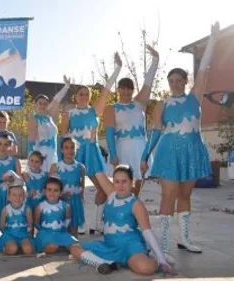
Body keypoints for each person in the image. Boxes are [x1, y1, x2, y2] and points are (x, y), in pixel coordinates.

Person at [141, 23, 220, 256]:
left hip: (192, 151)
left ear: (186, 81)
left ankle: (185, 239)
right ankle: (163, 246)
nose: (175, 84)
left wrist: (213, 40)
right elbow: (155, 131)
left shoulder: (195, 97)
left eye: (179, 80)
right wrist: (145, 155)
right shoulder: (162, 104)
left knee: (185, 196)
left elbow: (204, 68)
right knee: (168, 196)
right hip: (169, 152)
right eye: (171, 81)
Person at [70, 165, 177, 276]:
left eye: (124, 181)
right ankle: (107, 264)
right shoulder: (111, 194)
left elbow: (147, 232)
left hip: (130, 246)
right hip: (109, 245)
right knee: (75, 249)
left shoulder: (136, 204)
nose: (120, 185)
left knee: (145, 268)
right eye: (117, 181)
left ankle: (153, 255)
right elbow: (95, 167)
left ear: (131, 182)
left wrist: (163, 262)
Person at [60, 52, 122, 234]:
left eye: (87, 94)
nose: (84, 96)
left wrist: (117, 69)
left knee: (104, 187)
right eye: (81, 94)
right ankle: (74, 223)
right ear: (75, 96)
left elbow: (107, 90)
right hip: (74, 153)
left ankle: (98, 223)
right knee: (71, 189)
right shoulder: (69, 113)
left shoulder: (95, 111)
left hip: (92, 151)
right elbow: (63, 134)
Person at [104, 45, 159, 196]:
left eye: (129, 88)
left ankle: (134, 213)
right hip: (122, 148)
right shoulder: (111, 108)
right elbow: (109, 134)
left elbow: (149, 81)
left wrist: (155, 60)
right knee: (121, 187)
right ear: (118, 90)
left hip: (140, 148)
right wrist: (114, 155)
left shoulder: (139, 104)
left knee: (137, 188)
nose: (126, 91)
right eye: (123, 88)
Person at [27, 76, 71, 172]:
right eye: (40, 103)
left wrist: (66, 87)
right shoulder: (34, 119)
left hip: (53, 153)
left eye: (45, 104)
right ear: (35, 104)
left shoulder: (48, 116)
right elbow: (31, 140)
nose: (43, 106)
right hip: (41, 154)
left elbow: (56, 100)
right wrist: (31, 159)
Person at [50, 138, 85, 238]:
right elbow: (50, 187)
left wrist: (81, 196)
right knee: (62, 227)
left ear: (76, 149)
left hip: (75, 201)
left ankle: (73, 245)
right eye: (66, 148)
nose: (70, 150)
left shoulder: (81, 167)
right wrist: (61, 195)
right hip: (61, 202)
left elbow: (81, 185)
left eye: (72, 147)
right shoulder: (55, 167)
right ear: (61, 150)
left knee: (74, 228)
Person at [34, 177, 78, 254]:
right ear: (44, 191)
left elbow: (68, 221)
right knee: (52, 247)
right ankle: (49, 246)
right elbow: (36, 223)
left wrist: (66, 234)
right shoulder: (40, 206)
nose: (52, 193)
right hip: (46, 234)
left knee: (76, 247)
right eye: (49, 190)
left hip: (61, 233)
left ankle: (61, 244)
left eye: (56, 190)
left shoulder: (65, 206)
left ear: (61, 193)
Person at [0, 174, 34, 255]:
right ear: (9, 197)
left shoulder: (27, 209)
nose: (17, 198)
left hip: (23, 234)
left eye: (20, 195)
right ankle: (6, 247)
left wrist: (27, 237)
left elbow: (30, 225)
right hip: (10, 234)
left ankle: (21, 245)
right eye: (14, 195)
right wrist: (7, 235)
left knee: (28, 250)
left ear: (24, 197)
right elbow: (1, 226)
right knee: (12, 249)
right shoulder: (5, 210)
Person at [23, 151, 48, 220]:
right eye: (32, 160)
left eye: (37, 161)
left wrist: (44, 192)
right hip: (29, 202)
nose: (33, 163)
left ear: (41, 163)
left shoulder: (45, 175)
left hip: (41, 202)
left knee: (40, 222)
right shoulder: (26, 174)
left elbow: (46, 188)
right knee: (30, 223)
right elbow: (25, 189)